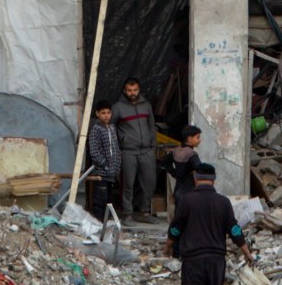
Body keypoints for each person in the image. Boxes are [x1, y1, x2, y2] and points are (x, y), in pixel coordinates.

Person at [166, 161, 244, 285]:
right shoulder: (224, 202)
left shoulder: (187, 201)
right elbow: (234, 229)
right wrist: (246, 251)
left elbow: (175, 228)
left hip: (193, 261)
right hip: (216, 262)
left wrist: (168, 246)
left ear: (195, 178)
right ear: (214, 180)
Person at [111, 78, 158, 218]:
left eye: (135, 90)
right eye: (130, 90)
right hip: (128, 152)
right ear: (125, 91)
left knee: (149, 183)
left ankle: (145, 212)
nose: (133, 93)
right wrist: (117, 148)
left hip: (147, 151)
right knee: (128, 184)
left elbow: (152, 126)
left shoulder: (147, 106)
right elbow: (111, 128)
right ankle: (127, 214)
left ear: (139, 90)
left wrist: (153, 146)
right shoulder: (117, 107)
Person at [82, 103, 120, 220]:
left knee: (110, 199)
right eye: (103, 113)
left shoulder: (112, 128)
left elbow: (116, 148)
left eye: (108, 113)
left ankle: (107, 223)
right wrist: (105, 165)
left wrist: (117, 165)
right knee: (100, 200)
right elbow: (94, 151)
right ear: (97, 114)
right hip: (101, 173)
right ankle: (98, 223)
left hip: (112, 172)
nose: (106, 116)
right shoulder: (96, 129)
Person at [165, 123, 205, 200]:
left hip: (178, 188)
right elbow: (200, 169)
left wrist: (174, 173)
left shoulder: (176, 151)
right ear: (189, 138)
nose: (199, 140)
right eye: (197, 138)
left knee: (178, 211)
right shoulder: (191, 154)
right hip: (189, 190)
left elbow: (165, 163)